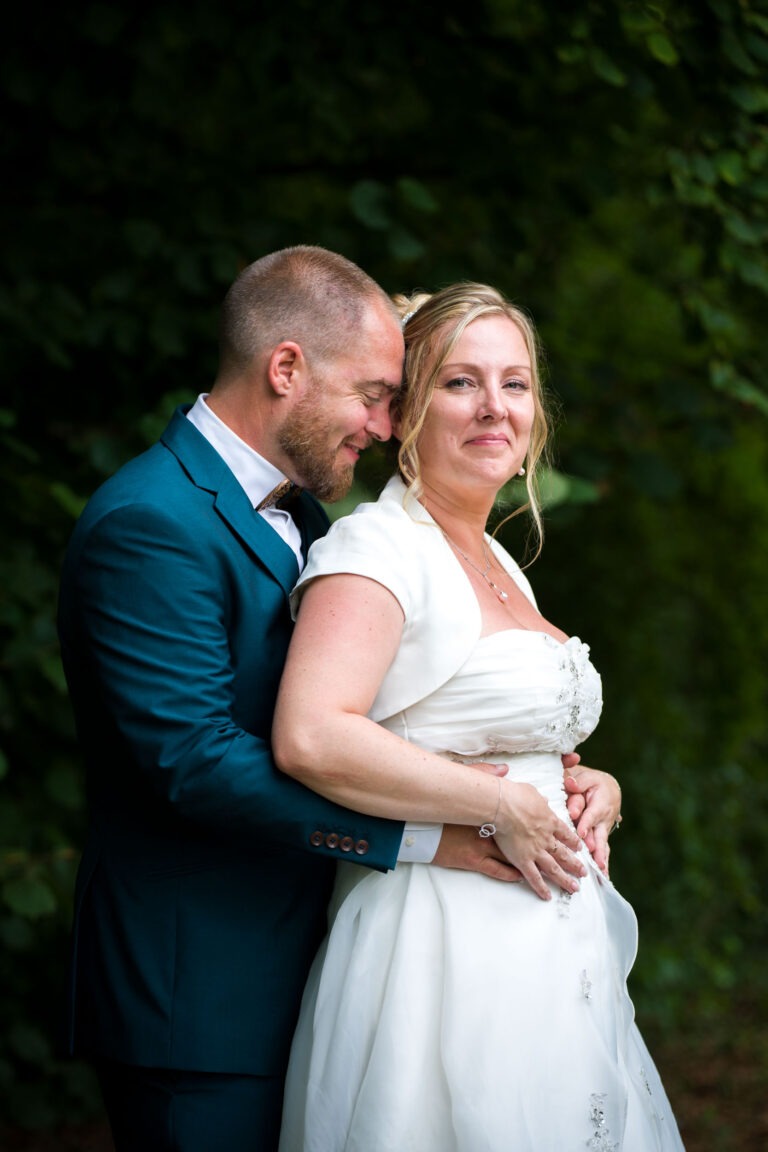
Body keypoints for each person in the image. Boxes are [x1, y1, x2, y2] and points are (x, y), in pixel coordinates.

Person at [57, 248, 620, 1152]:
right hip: (202, 983)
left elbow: (407, 704)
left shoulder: (306, 520)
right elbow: (193, 761)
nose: (381, 422)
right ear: (286, 369)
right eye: (371, 395)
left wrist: (567, 782)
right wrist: (431, 836)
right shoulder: (150, 522)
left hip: (329, 951)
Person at [273, 282, 685, 1150]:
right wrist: (499, 804)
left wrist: (587, 784)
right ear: (404, 409)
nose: (495, 407)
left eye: (516, 382)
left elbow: (496, 730)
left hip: (551, 952)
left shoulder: (498, 556)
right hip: (442, 950)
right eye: (461, 383)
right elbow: (313, 734)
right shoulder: (376, 549)